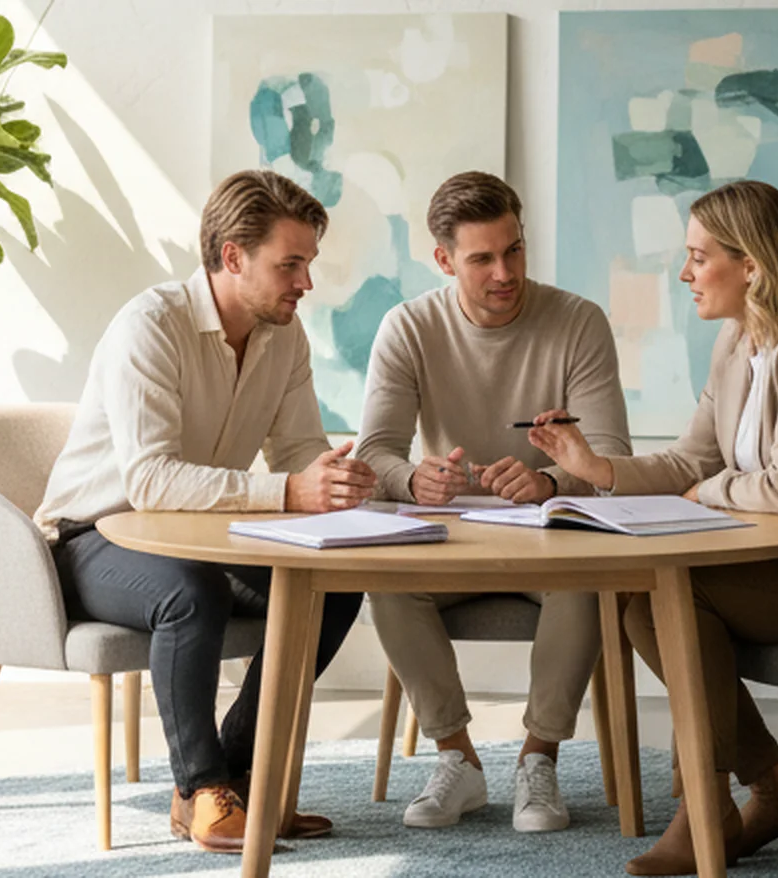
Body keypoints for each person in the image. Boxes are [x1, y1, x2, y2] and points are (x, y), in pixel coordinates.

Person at [526, 180, 778, 875]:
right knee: (648, 600)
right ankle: (768, 790)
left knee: (671, 600)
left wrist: (703, 493)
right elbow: (691, 459)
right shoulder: (737, 341)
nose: (684, 273)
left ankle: (718, 805)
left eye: (698, 257)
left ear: (751, 264)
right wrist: (593, 466)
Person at [34, 170, 372, 854]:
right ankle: (199, 789)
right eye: (290, 265)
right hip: (95, 536)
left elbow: (298, 451)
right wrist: (290, 493)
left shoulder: (285, 337)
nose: (306, 283)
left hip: (202, 536)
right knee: (192, 593)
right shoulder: (151, 326)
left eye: (307, 264)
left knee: (335, 584)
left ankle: (241, 778)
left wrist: (335, 479)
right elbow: (150, 480)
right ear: (232, 257)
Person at [354, 171, 632, 833]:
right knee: (383, 578)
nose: (505, 273)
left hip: (548, 538)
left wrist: (550, 483)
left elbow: (611, 454)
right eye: (482, 259)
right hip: (449, 541)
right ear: (444, 259)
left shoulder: (579, 322)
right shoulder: (408, 327)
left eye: (515, 250)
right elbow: (375, 453)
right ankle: (458, 757)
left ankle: (539, 758)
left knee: (589, 577)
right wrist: (414, 481)